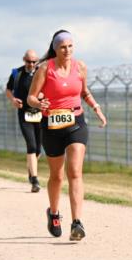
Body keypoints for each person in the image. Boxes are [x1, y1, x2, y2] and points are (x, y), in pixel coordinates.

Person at [28, 30, 106, 241]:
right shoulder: (45, 68)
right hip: (51, 125)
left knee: (74, 171)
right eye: (63, 47)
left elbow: (84, 92)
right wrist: (39, 103)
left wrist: (96, 107)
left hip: (76, 123)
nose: (68, 50)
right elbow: (31, 98)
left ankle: (77, 222)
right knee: (57, 175)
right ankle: (54, 213)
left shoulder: (80, 67)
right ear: (55, 49)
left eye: (71, 46)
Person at [6, 49, 44, 192]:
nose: (31, 64)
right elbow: (8, 90)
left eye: (34, 61)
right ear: (24, 60)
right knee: (31, 145)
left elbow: (49, 88)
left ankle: (31, 169)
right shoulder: (17, 73)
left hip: (40, 114)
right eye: (29, 61)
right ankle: (34, 179)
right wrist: (13, 100)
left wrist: (42, 95)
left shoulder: (42, 71)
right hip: (24, 114)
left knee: (38, 149)